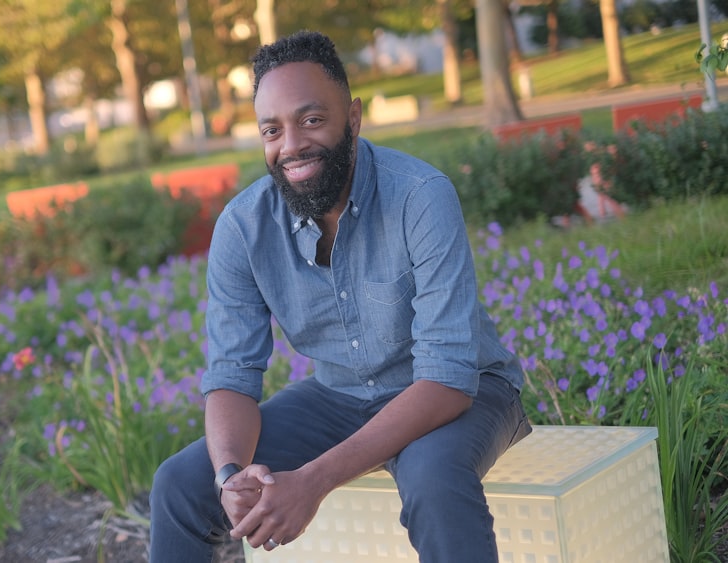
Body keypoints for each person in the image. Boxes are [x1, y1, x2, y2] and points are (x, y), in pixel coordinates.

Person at [149, 30, 531, 563]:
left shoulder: (421, 197)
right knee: (178, 486)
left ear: (352, 118)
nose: (291, 146)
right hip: (338, 395)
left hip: (465, 389)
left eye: (311, 120)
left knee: (433, 479)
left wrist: (313, 480)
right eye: (271, 130)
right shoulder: (243, 226)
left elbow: (447, 378)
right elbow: (232, 374)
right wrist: (231, 474)